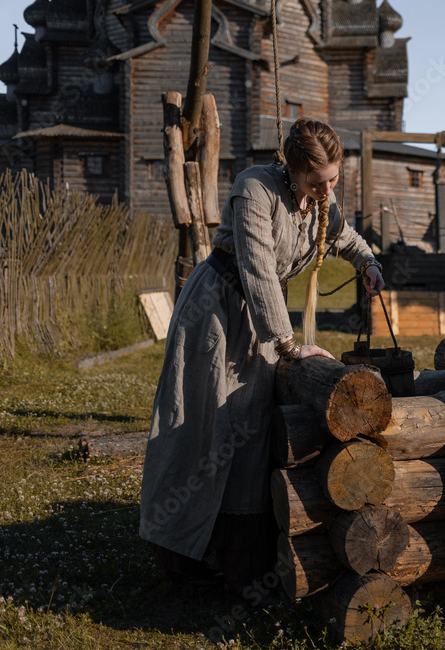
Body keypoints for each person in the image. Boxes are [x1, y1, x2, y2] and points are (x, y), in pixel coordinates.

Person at [139, 119, 384, 596]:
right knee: (202, 425)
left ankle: (241, 563)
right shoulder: (254, 188)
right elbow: (256, 270)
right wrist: (290, 345)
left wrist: (368, 262)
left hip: (261, 323)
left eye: (334, 179)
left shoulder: (320, 200)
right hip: (218, 313)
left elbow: (343, 234)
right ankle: (177, 553)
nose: (327, 190)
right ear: (292, 170)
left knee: (247, 433)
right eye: (318, 181)